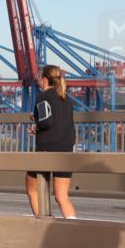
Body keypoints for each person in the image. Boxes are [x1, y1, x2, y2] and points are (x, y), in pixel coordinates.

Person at [27, 65, 78, 219]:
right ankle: (74, 228)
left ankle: (44, 223)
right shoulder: (66, 98)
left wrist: (35, 126)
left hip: (46, 149)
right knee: (62, 196)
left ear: (44, 80)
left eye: (39, 78)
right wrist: (38, 118)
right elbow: (58, 120)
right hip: (66, 149)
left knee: (32, 189)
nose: (38, 81)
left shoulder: (43, 97)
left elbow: (46, 121)